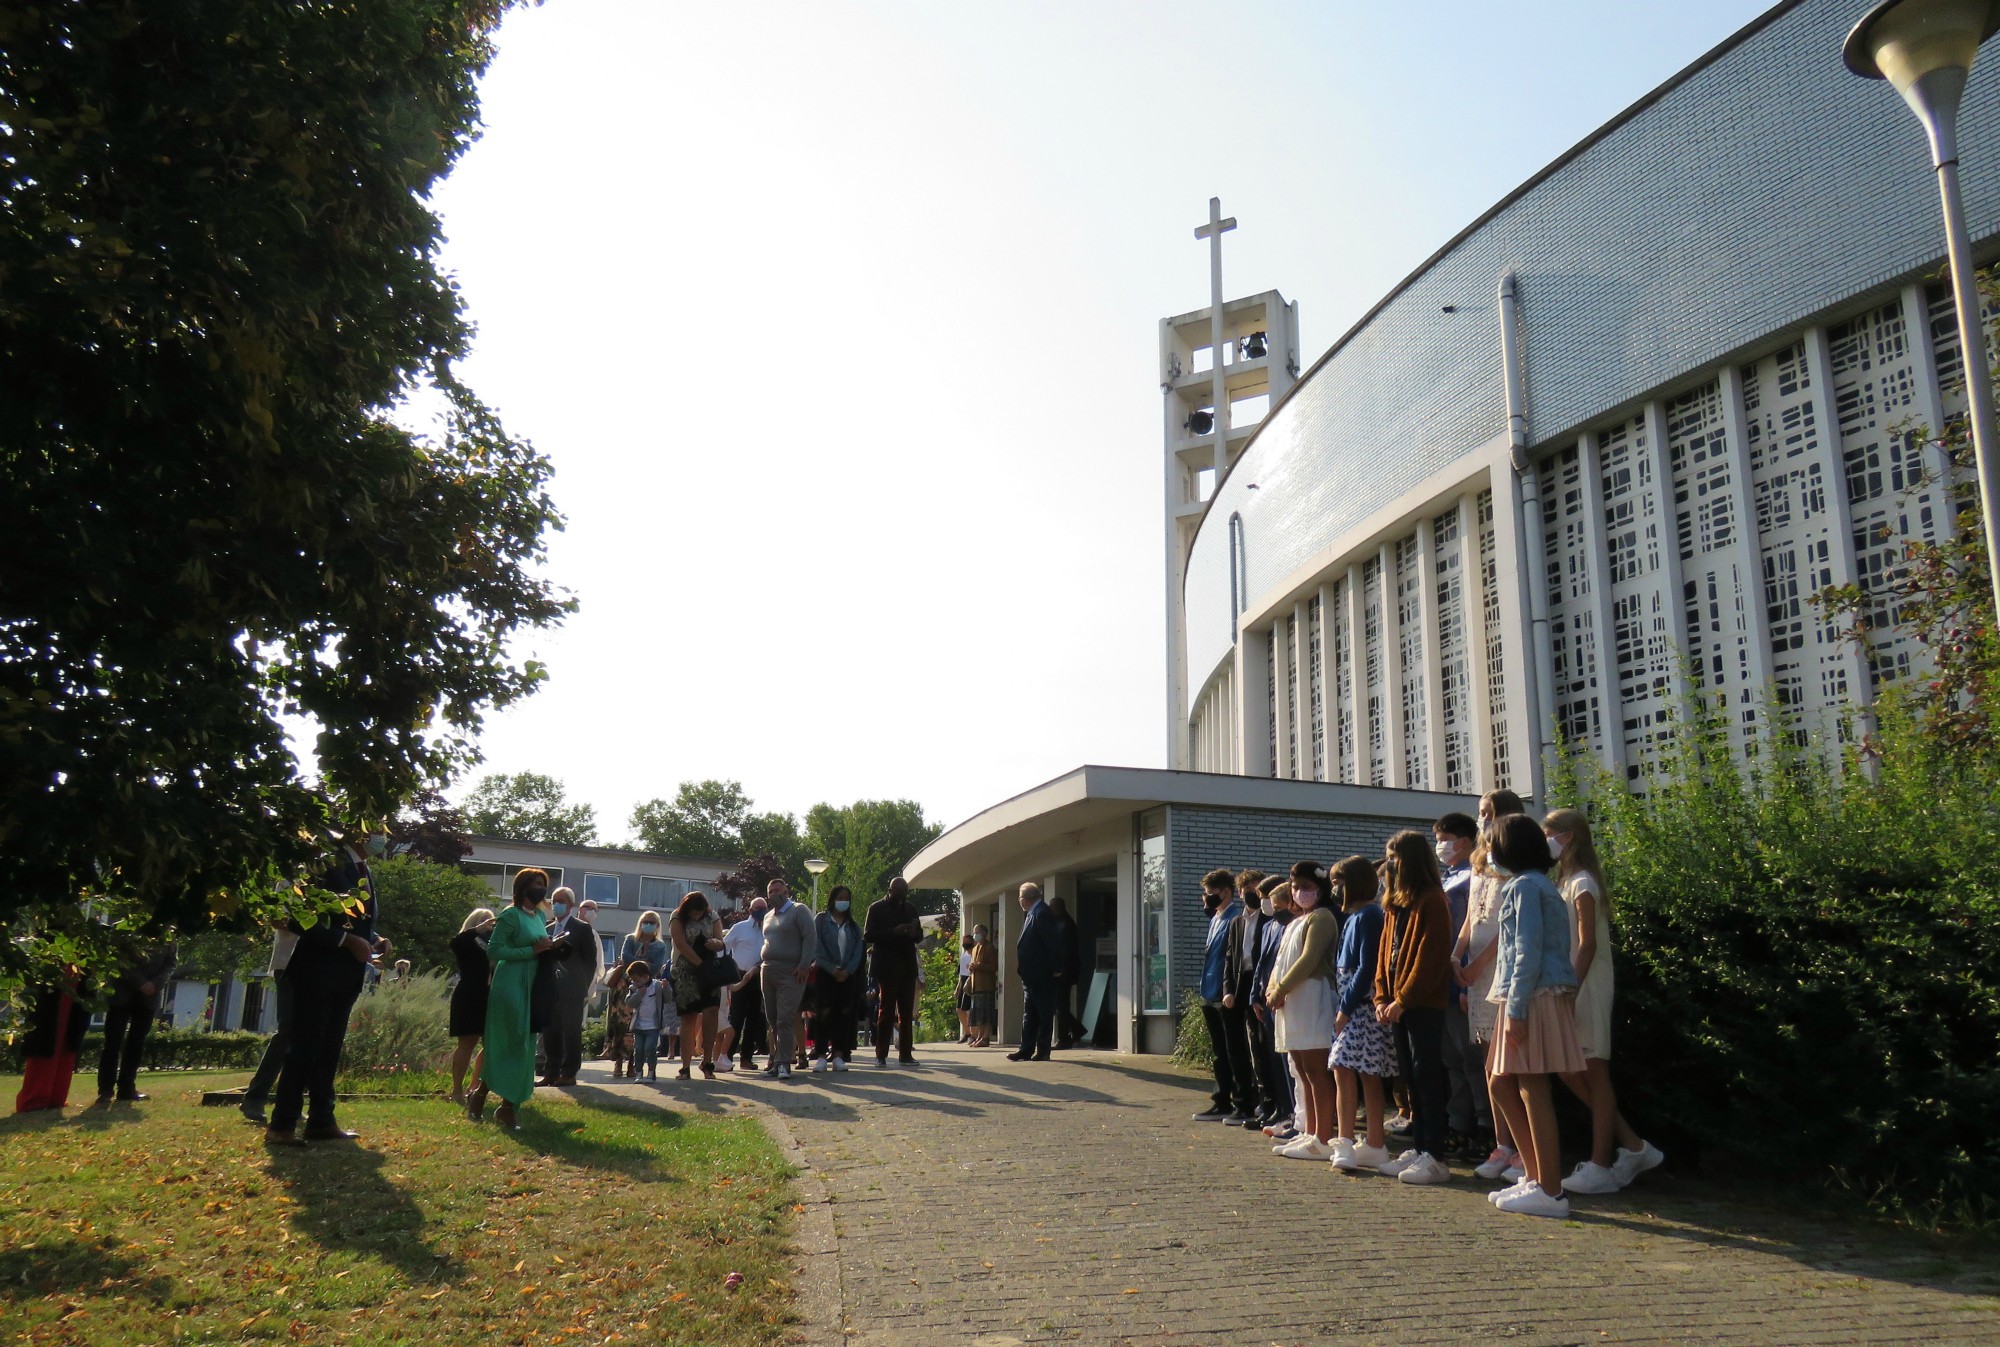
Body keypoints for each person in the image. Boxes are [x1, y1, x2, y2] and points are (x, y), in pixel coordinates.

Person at [1544, 807, 1665, 1194]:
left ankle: (1601, 1164)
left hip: (1587, 984)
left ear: (1569, 837)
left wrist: (1572, 987)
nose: (1546, 841)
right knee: (1567, 1067)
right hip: (1568, 983)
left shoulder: (1583, 882)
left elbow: (1589, 943)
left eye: (1550, 833)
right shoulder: (1564, 880)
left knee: (1594, 1069)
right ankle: (1633, 1146)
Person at [1486, 812, 1587, 1217]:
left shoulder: (1524, 886)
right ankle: (1536, 1176)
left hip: (1530, 997)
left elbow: (1526, 950)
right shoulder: (1537, 884)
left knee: (1532, 1087)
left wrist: (1516, 1009)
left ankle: (1549, 1189)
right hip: (1530, 995)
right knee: (1502, 1083)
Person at [266, 836, 386, 1146]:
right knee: (305, 1047)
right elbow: (293, 917)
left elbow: (348, 919)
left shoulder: (360, 866)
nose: (382, 836)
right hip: (316, 969)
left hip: (345, 973)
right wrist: (345, 942)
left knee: (328, 1048)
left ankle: (321, 1119)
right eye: (377, 827)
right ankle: (282, 1124)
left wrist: (372, 939)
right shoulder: (325, 861)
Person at [1372, 830, 1455, 1186]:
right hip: (1395, 1006)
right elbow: (1382, 957)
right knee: (1408, 1078)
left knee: (1427, 1077)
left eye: (1394, 856)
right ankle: (1419, 1146)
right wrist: (1381, 997)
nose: (1389, 863)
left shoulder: (1433, 900)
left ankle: (1434, 1154)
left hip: (1421, 1005)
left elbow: (1431, 958)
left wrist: (1402, 1000)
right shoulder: (1394, 905)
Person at [1458, 788, 1530, 1182]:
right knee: (1488, 1061)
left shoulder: (1515, 862)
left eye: (1487, 812)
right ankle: (1502, 1145)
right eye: (1479, 812)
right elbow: (1473, 915)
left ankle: (1522, 1149)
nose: (1482, 819)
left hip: (1501, 968)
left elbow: (1509, 923)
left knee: (1510, 1065)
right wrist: (1458, 955)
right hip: (1475, 971)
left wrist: (1480, 964)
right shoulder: (1478, 862)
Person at [1265, 862, 1339, 1159]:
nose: (1299, 893)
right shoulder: (1295, 921)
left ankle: (1323, 1136)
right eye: (1295, 887)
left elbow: (1308, 959)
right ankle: (1309, 1130)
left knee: (1316, 1069)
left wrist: (1281, 988)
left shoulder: (1322, 917)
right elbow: (1281, 959)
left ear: (1321, 890)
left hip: (1311, 995)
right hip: (1290, 999)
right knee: (1302, 1071)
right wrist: (1273, 988)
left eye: (1306, 887)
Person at [469, 869, 553, 1130]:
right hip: (510, 984)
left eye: (543, 884)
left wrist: (550, 947)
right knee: (510, 1042)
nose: (541, 888)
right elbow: (495, 951)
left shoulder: (539, 915)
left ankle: (505, 1106)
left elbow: (538, 945)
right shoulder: (510, 915)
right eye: (537, 883)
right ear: (524, 886)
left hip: (533, 984)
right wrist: (531, 950)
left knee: (524, 1045)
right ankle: (482, 1095)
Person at [1328, 856, 1395, 1173]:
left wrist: (1345, 1007)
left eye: (1338, 882)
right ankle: (1374, 1143)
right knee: (1365, 1073)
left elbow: (1367, 967)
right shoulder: (1357, 916)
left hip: (1362, 1007)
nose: (1334, 888)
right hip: (1355, 1004)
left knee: (1346, 1069)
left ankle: (1347, 1140)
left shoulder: (1369, 914)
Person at [1433, 811, 1489, 1156]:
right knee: (1452, 1060)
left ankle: (1484, 1126)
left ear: (1465, 842)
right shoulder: (1447, 878)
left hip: (1463, 985)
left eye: (1444, 839)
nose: (1439, 846)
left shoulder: (1472, 878)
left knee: (1472, 1061)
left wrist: (1468, 984)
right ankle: (1458, 1123)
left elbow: (1473, 934)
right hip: (1443, 986)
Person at [1191, 869, 1254, 1122]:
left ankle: (1241, 1102)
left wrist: (1228, 990)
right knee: (1219, 1052)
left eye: (1209, 894)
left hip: (1224, 993)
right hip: (1210, 991)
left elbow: (1232, 960)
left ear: (1225, 892)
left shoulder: (1233, 919)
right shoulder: (1216, 918)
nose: (1205, 899)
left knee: (1233, 1050)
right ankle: (1222, 1099)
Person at [1222, 869, 1279, 1129]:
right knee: (1250, 1047)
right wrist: (1228, 989)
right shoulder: (1236, 921)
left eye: (1257, 890)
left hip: (1264, 984)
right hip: (1243, 982)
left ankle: (1272, 1103)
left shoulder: (1269, 920)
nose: (1251, 894)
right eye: (1246, 889)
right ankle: (1257, 1101)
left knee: (1266, 1044)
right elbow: (1230, 956)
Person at [1248, 875, 1299, 1141]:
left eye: (1278, 906)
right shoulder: (1269, 926)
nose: (1274, 911)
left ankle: (1294, 1113)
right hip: (1267, 1001)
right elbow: (1262, 964)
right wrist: (1255, 995)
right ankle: (1282, 1108)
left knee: (1291, 1063)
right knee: (1275, 1060)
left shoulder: (1293, 926)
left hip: (1286, 1000)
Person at [97, 937, 175, 1103]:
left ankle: (126, 1088)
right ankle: (105, 1090)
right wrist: (141, 983)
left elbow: (171, 965)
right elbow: (119, 960)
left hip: (149, 998)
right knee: (112, 1042)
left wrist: (155, 984)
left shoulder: (169, 935)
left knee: (137, 1043)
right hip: (121, 995)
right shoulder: (124, 930)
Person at [753, 879, 816, 1080]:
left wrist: (804, 964)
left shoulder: (799, 910)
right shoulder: (769, 916)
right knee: (772, 1019)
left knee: (785, 1018)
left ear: (786, 891)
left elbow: (810, 937)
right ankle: (776, 1059)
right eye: (770, 891)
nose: (773, 894)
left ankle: (784, 1063)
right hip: (768, 970)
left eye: (777, 890)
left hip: (790, 971)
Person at [537, 887, 600, 1087]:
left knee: (571, 1032)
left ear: (571, 905)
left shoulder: (581, 928)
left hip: (572, 990)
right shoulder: (546, 929)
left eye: (562, 901)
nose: (557, 904)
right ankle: (551, 1072)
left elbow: (590, 962)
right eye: (554, 901)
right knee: (550, 1031)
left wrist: (583, 986)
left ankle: (569, 1072)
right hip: (550, 989)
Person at [239, 924, 300, 1123]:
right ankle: (255, 1097)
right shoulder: (289, 890)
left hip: (317, 966)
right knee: (288, 1030)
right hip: (290, 963)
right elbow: (279, 919)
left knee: (304, 1035)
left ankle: (290, 1103)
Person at [15, 961, 88, 1114]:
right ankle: (34, 1100)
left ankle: (56, 1097)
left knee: (67, 1041)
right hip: (52, 991)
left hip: (76, 984)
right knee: (46, 1042)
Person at [865, 876, 924, 1066]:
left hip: (907, 966)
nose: (902, 895)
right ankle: (880, 1055)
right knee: (886, 1011)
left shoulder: (910, 908)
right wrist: (893, 931)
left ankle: (905, 1054)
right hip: (887, 967)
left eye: (905, 892)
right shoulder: (876, 908)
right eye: (898, 891)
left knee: (906, 1013)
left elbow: (919, 935)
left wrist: (914, 933)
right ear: (890, 890)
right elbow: (868, 935)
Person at [669, 889, 727, 1079]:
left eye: (699, 912)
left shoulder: (712, 916)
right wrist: (699, 964)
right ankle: (685, 1066)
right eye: (693, 912)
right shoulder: (677, 917)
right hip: (686, 971)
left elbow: (721, 941)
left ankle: (707, 1061)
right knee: (688, 1017)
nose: (696, 915)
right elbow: (680, 944)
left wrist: (715, 943)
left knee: (711, 1014)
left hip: (710, 972)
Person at [1008, 881, 1065, 1061]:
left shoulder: (1042, 913)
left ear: (1024, 899)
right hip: (1031, 976)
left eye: (1019, 898)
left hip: (1042, 975)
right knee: (1030, 1014)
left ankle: (1042, 1050)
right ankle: (1026, 1049)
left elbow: (1053, 944)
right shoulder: (1032, 914)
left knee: (1043, 1013)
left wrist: (1056, 969)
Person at [812, 885, 865, 1070]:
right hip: (826, 975)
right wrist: (831, 968)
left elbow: (858, 952)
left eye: (846, 898)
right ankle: (820, 1055)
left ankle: (838, 1055)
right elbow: (816, 947)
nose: (843, 901)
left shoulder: (853, 926)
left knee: (843, 1015)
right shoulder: (821, 920)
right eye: (840, 897)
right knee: (824, 1014)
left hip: (847, 977)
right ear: (833, 899)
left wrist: (847, 970)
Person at [448, 908, 496, 1102]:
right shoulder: (465, 940)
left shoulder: (493, 942)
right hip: (469, 995)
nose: (488, 924)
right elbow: (456, 943)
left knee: (490, 1043)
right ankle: (457, 1090)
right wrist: (477, 929)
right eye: (484, 921)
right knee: (467, 1043)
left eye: (490, 920)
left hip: (490, 995)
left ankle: (476, 1086)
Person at [716, 898, 767, 1072]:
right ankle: (726, 1057)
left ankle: (746, 1058)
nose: (761, 911)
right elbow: (723, 947)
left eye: (764, 908)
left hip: (758, 976)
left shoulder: (768, 930)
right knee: (736, 1018)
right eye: (757, 908)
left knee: (754, 1019)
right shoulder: (740, 928)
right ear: (750, 910)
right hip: (739, 975)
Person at [1048, 895, 1086, 1048]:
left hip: (1063, 972)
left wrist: (1057, 969)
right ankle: (1067, 1035)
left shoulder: (1065, 924)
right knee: (1060, 1005)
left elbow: (1064, 951)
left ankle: (1069, 1034)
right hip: (1064, 971)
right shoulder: (1062, 923)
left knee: (1060, 1005)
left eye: (1052, 907)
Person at [624, 960, 668, 1081]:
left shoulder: (656, 986)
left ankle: (651, 1072)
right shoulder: (633, 988)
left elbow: (668, 999)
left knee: (650, 1048)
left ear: (645, 976)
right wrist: (639, 994)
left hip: (653, 1026)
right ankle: (638, 1072)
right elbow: (629, 1003)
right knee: (638, 1050)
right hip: (638, 1026)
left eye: (637, 979)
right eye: (633, 980)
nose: (635, 982)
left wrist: (667, 988)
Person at [966, 925, 997, 1047]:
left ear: (985, 933)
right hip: (976, 986)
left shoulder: (989, 948)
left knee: (986, 1013)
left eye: (977, 932)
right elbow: (973, 964)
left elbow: (994, 967)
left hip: (986, 986)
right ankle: (979, 1035)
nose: (975, 935)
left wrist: (978, 966)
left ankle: (985, 1037)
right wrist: (971, 966)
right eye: (974, 933)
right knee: (978, 1013)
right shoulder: (975, 948)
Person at [618, 910, 671, 978]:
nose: (648, 924)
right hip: (627, 980)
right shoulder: (630, 939)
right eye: (645, 922)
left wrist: (634, 961)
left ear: (657, 925)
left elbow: (656, 968)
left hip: (648, 984)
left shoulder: (660, 946)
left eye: (652, 923)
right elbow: (625, 957)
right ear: (640, 923)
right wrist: (645, 963)